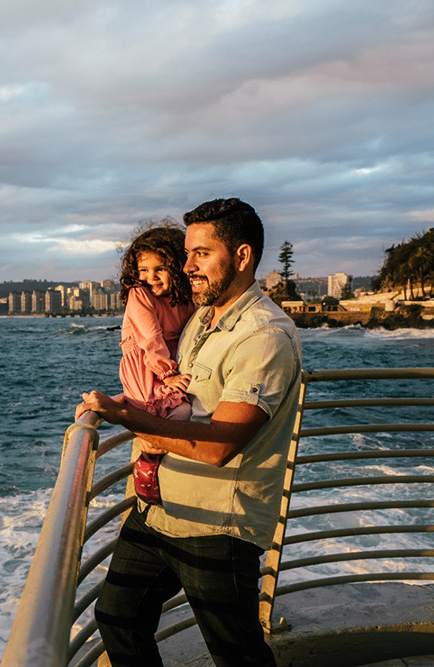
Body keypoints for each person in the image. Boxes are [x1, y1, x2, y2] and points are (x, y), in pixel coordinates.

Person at [77, 198, 302, 666]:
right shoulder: (202, 314)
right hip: (157, 508)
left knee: (235, 653)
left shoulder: (264, 337)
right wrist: (129, 400)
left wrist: (129, 419)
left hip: (216, 523)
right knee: (118, 617)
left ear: (241, 257)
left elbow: (219, 445)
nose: (188, 265)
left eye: (201, 253)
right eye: (188, 253)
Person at [116, 223, 195, 504]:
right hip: (147, 367)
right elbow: (150, 337)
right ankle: (147, 463)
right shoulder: (140, 294)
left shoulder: (186, 297)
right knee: (161, 420)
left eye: (159, 269)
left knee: (182, 413)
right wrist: (167, 374)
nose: (151, 277)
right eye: (143, 271)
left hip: (167, 364)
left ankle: (161, 470)